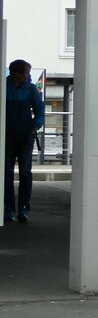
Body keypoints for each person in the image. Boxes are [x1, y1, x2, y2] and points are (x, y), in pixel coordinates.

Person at [5, 59, 45, 222]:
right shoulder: (4, 87)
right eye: (26, 72)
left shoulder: (30, 90)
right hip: (7, 136)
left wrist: (35, 126)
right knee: (6, 173)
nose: (29, 76)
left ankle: (23, 208)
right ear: (17, 73)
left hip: (26, 136)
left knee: (25, 172)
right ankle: (7, 208)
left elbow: (40, 110)